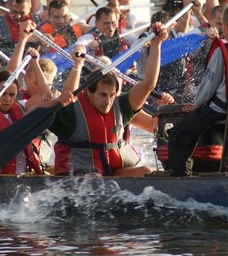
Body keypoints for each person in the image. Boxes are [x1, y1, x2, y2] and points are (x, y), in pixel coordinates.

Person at [49, 19, 169, 177]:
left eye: (112, 95)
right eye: (103, 95)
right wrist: (77, 65)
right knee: (92, 179)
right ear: (88, 93)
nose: (108, 101)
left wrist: (156, 44)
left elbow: (148, 84)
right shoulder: (72, 112)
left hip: (112, 174)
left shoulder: (121, 107)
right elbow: (67, 95)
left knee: (146, 172)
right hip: (81, 180)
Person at [166, 1, 228, 177]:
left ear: (226, 27)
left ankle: (181, 176)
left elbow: (208, 85)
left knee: (178, 136)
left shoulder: (223, 50)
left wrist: (196, 105)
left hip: (220, 109)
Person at [0, 70, 45, 175]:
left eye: (12, 94)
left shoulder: (22, 107)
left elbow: (45, 95)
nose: (7, 99)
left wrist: (35, 63)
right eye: (3, 94)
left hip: (22, 177)